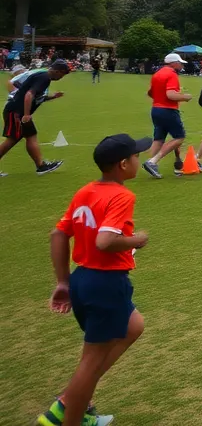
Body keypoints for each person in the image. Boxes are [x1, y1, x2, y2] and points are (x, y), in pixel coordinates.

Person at [38, 134, 154, 426]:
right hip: (105, 284)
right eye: (136, 157)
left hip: (82, 280)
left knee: (133, 325)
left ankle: (72, 403)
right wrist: (136, 240)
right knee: (90, 364)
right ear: (124, 164)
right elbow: (105, 241)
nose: (139, 160)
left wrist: (64, 282)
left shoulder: (86, 191)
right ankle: (67, 415)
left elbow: (58, 234)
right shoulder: (122, 195)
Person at [0, 59, 68, 177]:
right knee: (12, 140)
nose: (61, 77)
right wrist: (26, 114)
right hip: (16, 112)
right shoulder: (44, 77)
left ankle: (41, 166)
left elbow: (36, 97)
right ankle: (41, 166)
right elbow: (29, 94)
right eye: (62, 74)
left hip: (19, 112)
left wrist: (53, 97)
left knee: (31, 136)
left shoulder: (43, 77)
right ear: (57, 71)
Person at [142, 54, 192, 179]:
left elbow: (150, 93)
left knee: (158, 139)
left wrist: (160, 100)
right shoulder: (172, 74)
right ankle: (152, 162)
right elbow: (171, 95)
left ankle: (150, 163)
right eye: (180, 63)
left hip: (156, 109)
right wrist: (185, 97)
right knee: (179, 138)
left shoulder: (157, 74)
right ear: (173, 63)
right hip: (168, 110)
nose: (181, 65)